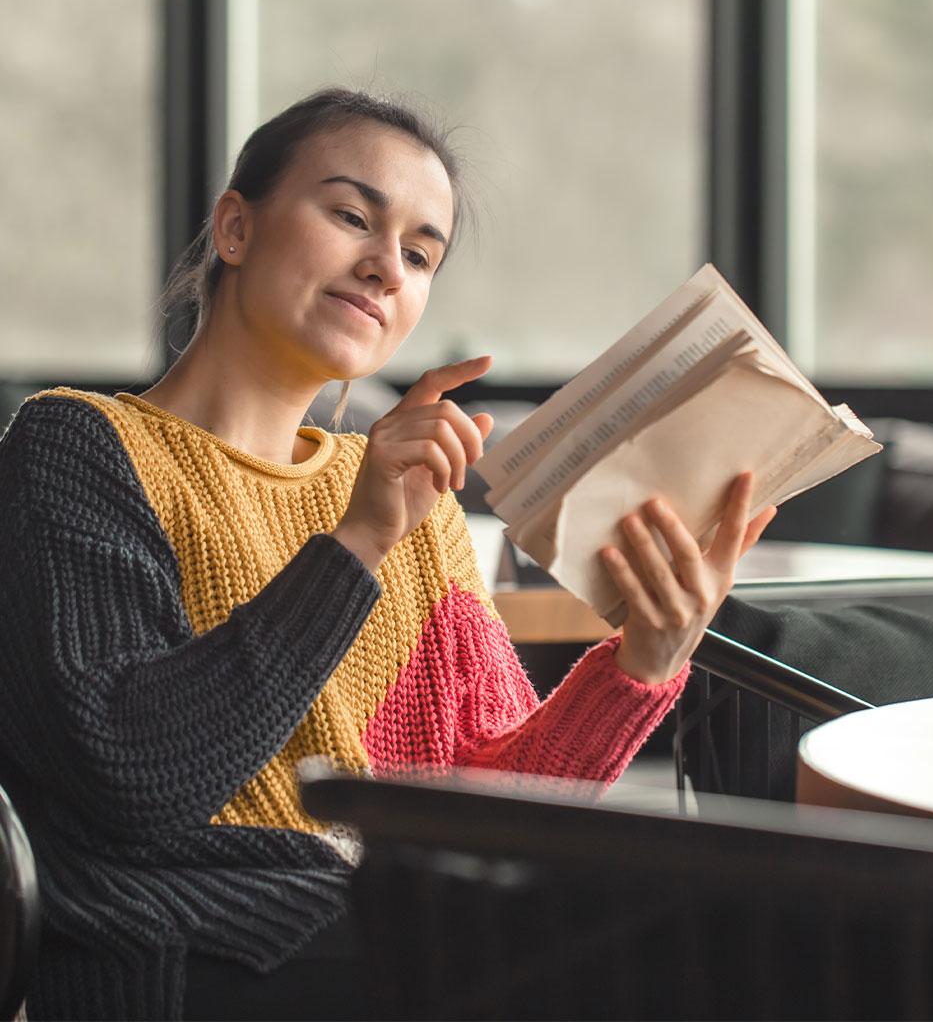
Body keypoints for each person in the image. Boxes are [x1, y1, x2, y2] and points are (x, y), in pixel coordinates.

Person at [0, 87, 774, 1021]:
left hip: (382, 925)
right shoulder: (75, 448)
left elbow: (492, 807)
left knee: (744, 921)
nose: (384, 268)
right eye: (349, 216)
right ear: (236, 229)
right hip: (189, 947)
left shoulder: (411, 497)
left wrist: (643, 662)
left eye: (418, 253)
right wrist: (358, 543)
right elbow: (135, 783)